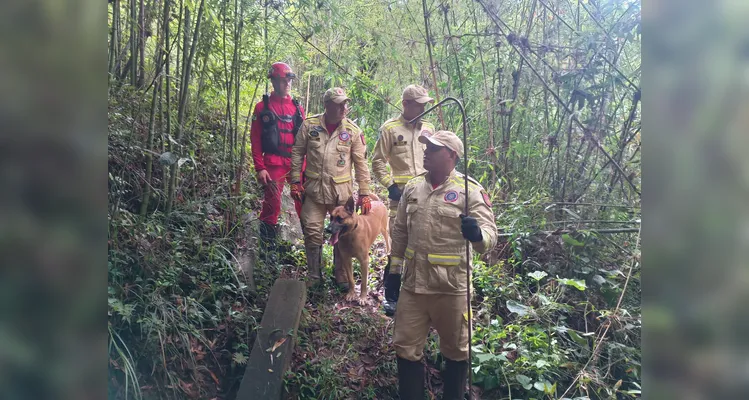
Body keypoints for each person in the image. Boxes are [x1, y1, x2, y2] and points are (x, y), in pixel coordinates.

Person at [384, 130, 498, 399]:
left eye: (433, 149)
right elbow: (400, 232)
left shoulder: (469, 190)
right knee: (405, 347)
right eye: (426, 147)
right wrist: (393, 271)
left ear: (451, 155)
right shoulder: (413, 187)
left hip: (451, 288)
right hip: (413, 286)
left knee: (457, 350)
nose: (426, 152)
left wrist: (477, 234)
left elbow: (491, 235)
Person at [289, 87, 372, 289]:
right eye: (339, 104)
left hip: (340, 194)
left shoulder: (352, 131)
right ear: (327, 105)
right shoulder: (310, 125)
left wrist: (364, 193)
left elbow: (361, 164)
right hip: (315, 191)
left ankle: (341, 273)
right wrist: (295, 181)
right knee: (312, 230)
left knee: (343, 230)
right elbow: (297, 153)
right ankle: (314, 276)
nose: (344, 107)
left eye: (345, 103)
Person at [372, 84, 436, 315]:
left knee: (423, 244)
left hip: (427, 197)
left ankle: (419, 295)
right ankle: (391, 297)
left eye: (424, 105)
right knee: (398, 246)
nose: (422, 109)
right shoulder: (390, 129)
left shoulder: (428, 129)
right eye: (419, 105)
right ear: (406, 104)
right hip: (400, 198)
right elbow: (377, 160)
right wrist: (390, 185)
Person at [249, 62, 305, 255]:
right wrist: (260, 167)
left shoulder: (297, 108)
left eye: (288, 80)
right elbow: (255, 140)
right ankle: (266, 252)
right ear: (273, 81)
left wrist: (305, 167)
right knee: (272, 204)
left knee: (304, 202)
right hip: (273, 162)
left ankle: (311, 247)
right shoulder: (262, 108)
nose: (286, 84)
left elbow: (304, 139)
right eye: (282, 81)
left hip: (296, 163)